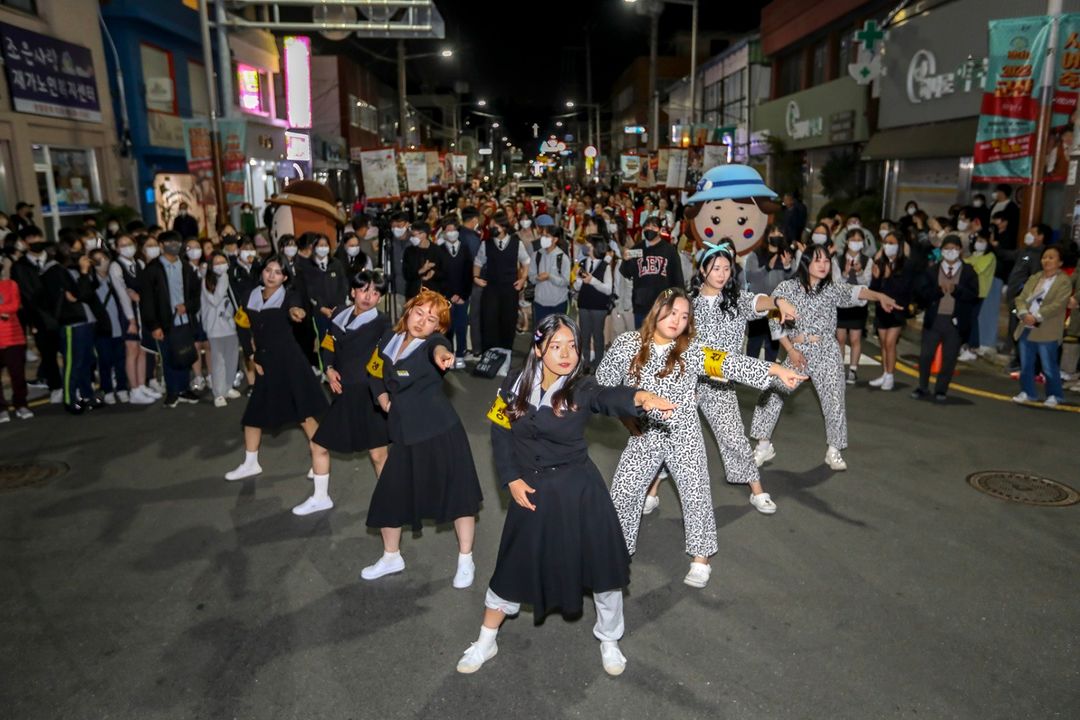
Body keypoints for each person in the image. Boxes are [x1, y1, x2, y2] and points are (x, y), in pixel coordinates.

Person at [455, 314, 677, 676]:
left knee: (603, 571)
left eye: (572, 345)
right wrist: (510, 478)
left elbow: (608, 397)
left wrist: (639, 397)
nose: (566, 353)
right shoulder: (513, 384)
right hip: (531, 492)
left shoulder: (581, 387)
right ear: (539, 348)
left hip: (579, 493)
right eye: (556, 346)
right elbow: (499, 432)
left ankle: (610, 639)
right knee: (513, 565)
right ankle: (485, 640)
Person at [596, 287, 802, 588]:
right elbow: (602, 388)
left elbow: (731, 362)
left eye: (684, 316)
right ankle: (617, 552)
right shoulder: (627, 344)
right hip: (646, 434)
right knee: (624, 493)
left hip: (685, 434)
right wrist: (626, 416)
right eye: (671, 312)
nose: (677, 320)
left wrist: (775, 370)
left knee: (696, 494)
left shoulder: (692, 349)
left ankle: (701, 559)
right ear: (657, 311)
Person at [361, 289, 483, 587]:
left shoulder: (433, 344)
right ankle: (392, 556)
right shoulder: (390, 339)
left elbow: (438, 350)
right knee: (389, 494)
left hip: (440, 431)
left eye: (431, 319)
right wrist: (382, 398)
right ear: (409, 310)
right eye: (419, 313)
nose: (422, 321)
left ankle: (466, 559)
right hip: (404, 434)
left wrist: (444, 356)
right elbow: (374, 373)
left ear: (437, 328)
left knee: (459, 496)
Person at [751, 245, 899, 470]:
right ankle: (763, 446)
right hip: (797, 350)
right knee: (772, 392)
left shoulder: (831, 289)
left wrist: (879, 296)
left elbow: (857, 292)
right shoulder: (787, 288)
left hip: (827, 350)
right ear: (806, 262)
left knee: (834, 399)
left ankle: (834, 450)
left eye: (827, 261)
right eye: (818, 260)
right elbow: (773, 318)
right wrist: (790, 350)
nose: (823, 265)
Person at [691, 241, 797, 514]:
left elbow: (759, 301)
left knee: (735, 439)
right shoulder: (688, 303)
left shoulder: (736, 300)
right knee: (667, 435)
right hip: (687, 381)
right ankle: (652, 490)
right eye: (715, 268)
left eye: (727, 268)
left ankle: (757, 491)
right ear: (703, 270)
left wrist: (777, 301)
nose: (722, 273)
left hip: (720, 384)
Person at [223, 256, 329, 481]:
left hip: (289, 361)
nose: (271, 275)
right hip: (264, 361)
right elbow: (242, 327)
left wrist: (296, 312)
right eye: (268, 270)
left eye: (278, 272)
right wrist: (251, 355)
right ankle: (250, 463)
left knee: (304, 414)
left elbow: (295, 308)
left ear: (285, 277)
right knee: (253, 414)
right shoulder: (249, 295)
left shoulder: (289, 296)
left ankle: (320, 457)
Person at [299, 270, 391, 515]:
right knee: (318, 444)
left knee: (378, 455)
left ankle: (391, 500)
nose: (368, 297)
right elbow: (328, 344)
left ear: (380, 298)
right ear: (353, 291)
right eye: (363, 290)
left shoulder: (382, 322)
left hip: (368, 394)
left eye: (375, 293)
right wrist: (328, 369)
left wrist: (380, 387)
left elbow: (385, 359)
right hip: (343, 393)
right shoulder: (340, 313)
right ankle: (320, 498)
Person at [910, 235, 979, 403]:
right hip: (934, 319)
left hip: (955, 322)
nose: (951, 252)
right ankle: (923, 386)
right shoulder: (932, 271)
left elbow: (973, 295)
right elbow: (922, 294)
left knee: (949, 358)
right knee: (926, 355)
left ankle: (941, 389)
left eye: (954, 249)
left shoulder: (968, 271)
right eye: (947, 249)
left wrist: (956, 290)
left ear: (960, 251)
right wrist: (938, 291)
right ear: (941, 251)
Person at [141, 231, 202, 408]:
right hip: (165, 321)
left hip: (185, 319)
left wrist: (188, 307)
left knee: (185, 353)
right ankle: (173, 391)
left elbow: (195, 294)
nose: (174, 245)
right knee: (168, 356)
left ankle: (184, 388)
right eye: (169, 242)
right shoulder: (153, 270)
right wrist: (154, 325)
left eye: (177, 242)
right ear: (161, 246)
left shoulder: (186, 267)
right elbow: (147, 301)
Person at [1012, 246, 1071, 407]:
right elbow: (1021, 298)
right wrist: (1024, 313)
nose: (1047, 260)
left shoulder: (1064, 281)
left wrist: (1038, 316)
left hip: (1048, 328)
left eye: (1052, 257)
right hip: (1027, 325)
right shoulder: (1035, 277)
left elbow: (1059, 304)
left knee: (1048, 365)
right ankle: (1028, 392)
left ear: (1060, 262)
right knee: (1026, 363)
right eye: (1045, 257)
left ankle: (1055, 395)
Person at [474, 213, 530, 351]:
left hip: (510, 289)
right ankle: (490, 353)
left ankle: (506, 352)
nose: (491, 228)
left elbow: (526, 262)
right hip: (491, 289)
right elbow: (478, 262)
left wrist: (523, 279)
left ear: (504, 227)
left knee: (508, 321)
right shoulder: (485, 244)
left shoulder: (517, 243)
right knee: (489, 320)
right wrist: (476, 277)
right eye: (491, 225)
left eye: (495, 225)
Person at [868, 232, 913, 390]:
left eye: (892, 243)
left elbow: (905, 288)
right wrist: (876, 276)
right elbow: (873, 289)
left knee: (890, 343)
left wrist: (888, 276)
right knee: (883, 344)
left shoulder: (906, 264)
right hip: (882, 309)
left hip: (897, 308)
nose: (888, 246)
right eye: (886, 242)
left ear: (899, 245)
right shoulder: (881, 263)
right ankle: (885, 373)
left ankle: (891, 376)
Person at [620, 216, 684, 327]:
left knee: (663, 340)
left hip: (663, 305)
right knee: (643, 339)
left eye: (654, 226)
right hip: (641, 305)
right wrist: (625, 261)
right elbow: (627, 273)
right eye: (647, 226)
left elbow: (677, 279)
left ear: (660, 230)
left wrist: (677, 302)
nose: (649, 229)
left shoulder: (669, 250)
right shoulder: (636, 249)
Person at [744, 226, 797, 361]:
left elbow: (794, 282)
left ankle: (769, 372)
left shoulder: (787, 255)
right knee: (755, 339)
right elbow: (750, 277)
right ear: (767, 236)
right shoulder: (755, 254)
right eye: (773, 232)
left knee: (773, 340)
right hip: (759, 304)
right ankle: (751, 372)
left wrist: (787, 267)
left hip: (777, 306)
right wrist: (767, 268)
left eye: (779, 232)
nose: (776, 235)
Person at [199, 251, 242, 407]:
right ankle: (218, 393)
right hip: (215, 327)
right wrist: (224, 279)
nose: (220, 265)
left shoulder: (230, 279)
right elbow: (216, 300)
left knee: (232, 358)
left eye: (222, 262)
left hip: (231, 326)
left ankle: (228, 387)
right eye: (216, 263)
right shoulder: (207, 281)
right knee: (218, 361)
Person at [1004, 224, 1048, 372]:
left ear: (1041, 237)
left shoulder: (1040, 256)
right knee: (1014, 329)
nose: (1028, 234)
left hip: (1025, 301)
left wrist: (1023, 294)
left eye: (1032, 232)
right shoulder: (1025, 251)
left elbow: (1034, 279)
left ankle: (1024, 362)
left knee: (1023, 330)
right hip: (1014, 299)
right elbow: (1007, 255)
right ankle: (1017, 359)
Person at [88, 248, 128, 404]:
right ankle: (108, 389)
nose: (102, 262)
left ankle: (122, 388)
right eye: (97, 260)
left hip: (119, 327)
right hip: (102, 329)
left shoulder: (115, 278)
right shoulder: (91, 282)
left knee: (120, 360)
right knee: (104, 361)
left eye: (104, 258)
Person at [833, 227, 872, 384]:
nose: (855, 243)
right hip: (842, 303)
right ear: (847, 241)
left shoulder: (868, 261)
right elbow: (836, 283)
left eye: (858, 240)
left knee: (855, 338)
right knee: (840, 338)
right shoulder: (837, 260)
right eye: (853, 240)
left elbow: (867, 284)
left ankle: (853, 370)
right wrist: (845, 273)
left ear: (863, 243)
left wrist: (859, 272)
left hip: (858, 304)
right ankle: (840, 369)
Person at [573, 235, 614, 373]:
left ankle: (598, 363)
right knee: (584, 335)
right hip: (584, 304)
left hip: (599, 307)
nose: (585, 246)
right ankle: (584, 362)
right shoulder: (583, 263)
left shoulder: (605, 266)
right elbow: (577, 287)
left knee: (598, 336)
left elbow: (608, 289)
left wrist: (592, 281)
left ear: (595, 247)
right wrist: (578, 279)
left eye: (588, 244)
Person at [0, 254, 32, 421]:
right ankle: (1, 409)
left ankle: (21, 404)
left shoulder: (11, 284)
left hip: (13, 337)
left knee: (17, 375)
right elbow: (8, 307)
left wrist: (5, 310)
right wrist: (2, 311)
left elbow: (14, 306)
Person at [959, 229, 998, 362]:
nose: (979, 243)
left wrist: (966, 263)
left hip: (980, 292)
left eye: (982, 241)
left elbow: (975, 269)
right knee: (966, 318)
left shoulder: (989, 256)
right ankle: (965, 345)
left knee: (973, 319)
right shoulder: (974, 255)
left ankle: (973, 348)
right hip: (969, 291)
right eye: (977, 240)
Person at [440, 217, 473, 369]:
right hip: (446, 297)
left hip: (462, 296)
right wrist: (449, 294)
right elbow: (440, 276)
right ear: (443, 232)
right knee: (448, 327)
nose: (451, 233)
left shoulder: (465, 249)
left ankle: (460, 354)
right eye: (447, 230)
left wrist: (462, 295)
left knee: (461, 325)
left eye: (453, 230)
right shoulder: (439, 250)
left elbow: (468, 274)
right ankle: (448, 355)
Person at [528, 220, 571, 327]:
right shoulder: (536, 255)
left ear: (555, 239)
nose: (543, 238)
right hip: (540, 302)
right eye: (543, 235)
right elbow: (531, 277)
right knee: (541, 334)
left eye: (547, 236)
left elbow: (565, 281)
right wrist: (537, 278)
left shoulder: (563, 258)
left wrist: (549, 277)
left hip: (558, 303)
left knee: (556, 335)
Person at [459, 206, 484, 359]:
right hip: (472, 282)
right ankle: (477, 349)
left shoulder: (459, 234)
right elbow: (478, 260)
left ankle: (461, 349)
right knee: (474, 316)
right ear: (474, 219)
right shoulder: (472, 238)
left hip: (459, 282)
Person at [402, 221, 447, 300]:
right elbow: (406, 274)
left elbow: (444, 272)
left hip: (432, 294)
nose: (411, 238)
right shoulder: (409, 251)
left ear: (424, 234)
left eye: (414, 235)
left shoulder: (437, 250)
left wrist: (433, 273)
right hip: (413, 294)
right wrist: (421, 271)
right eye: (411, 235)